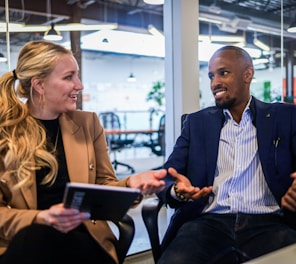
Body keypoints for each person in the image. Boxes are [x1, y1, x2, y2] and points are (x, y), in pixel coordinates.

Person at [0, 40, 166, 264]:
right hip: (25, 243)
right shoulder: (5, 132)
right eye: (69, 77)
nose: (79, 85)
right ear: (39, 85)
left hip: (82, 238)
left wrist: (130, 184)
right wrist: (41, 218)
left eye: (76, 75)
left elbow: (103, 186)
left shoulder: (88, 123)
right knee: (35, 237)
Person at [156, 45, 296, 264]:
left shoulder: (285, 116)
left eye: (224, 73)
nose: (214, 83)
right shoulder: (197, 123)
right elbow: (166, 175)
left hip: (270, 222)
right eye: (211, 76)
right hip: (208, 223)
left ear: (247, 74)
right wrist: (177, 190)